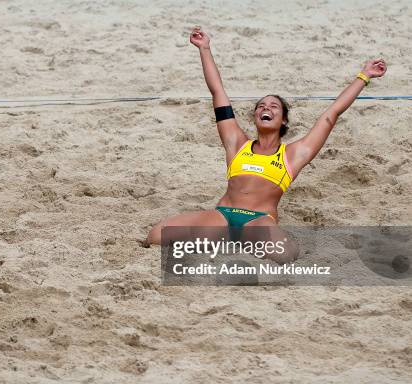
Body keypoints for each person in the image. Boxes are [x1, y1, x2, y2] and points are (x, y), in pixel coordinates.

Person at [145, 27, 387, 263]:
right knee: (156, 235)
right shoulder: (237, 143)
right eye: (261, 106)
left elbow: (331, 114)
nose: (265, 108)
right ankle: (226, 241)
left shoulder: (293, 154)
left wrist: (364, 76)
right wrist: (205, 49)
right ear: (255, 117)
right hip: (223, 216)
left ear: (283, 120)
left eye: (273, 106)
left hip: (257, 220)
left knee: (284, 254)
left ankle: (236, 244)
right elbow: (217, 92)